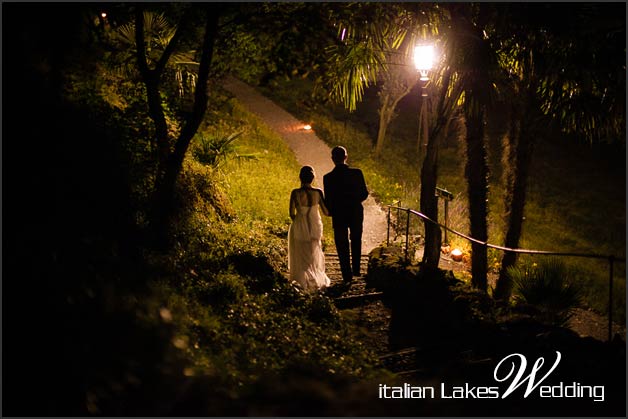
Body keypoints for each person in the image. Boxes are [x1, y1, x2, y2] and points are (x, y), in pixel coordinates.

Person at [323, 146, 369, 284]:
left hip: (339, 213)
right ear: (346, 157)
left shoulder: (328, 178)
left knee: (341, 243)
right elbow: (364, 193)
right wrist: (355, 201)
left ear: (332, 159)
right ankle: (356, 269)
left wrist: (332, 211)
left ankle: (346, 273)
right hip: (355, 211)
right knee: (356, 239)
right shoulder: (357, 173)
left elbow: (328, 199)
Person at [288, 166, 331, 291]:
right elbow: (326, 212)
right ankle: (315, 277)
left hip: (300, 225)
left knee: (301, 253)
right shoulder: (318, 192)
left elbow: (291, 213)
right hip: (315, 225)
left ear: (300, 177)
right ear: (313, 178)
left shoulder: (295, 193)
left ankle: (304, 280)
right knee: (314, 251)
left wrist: (299, 218)